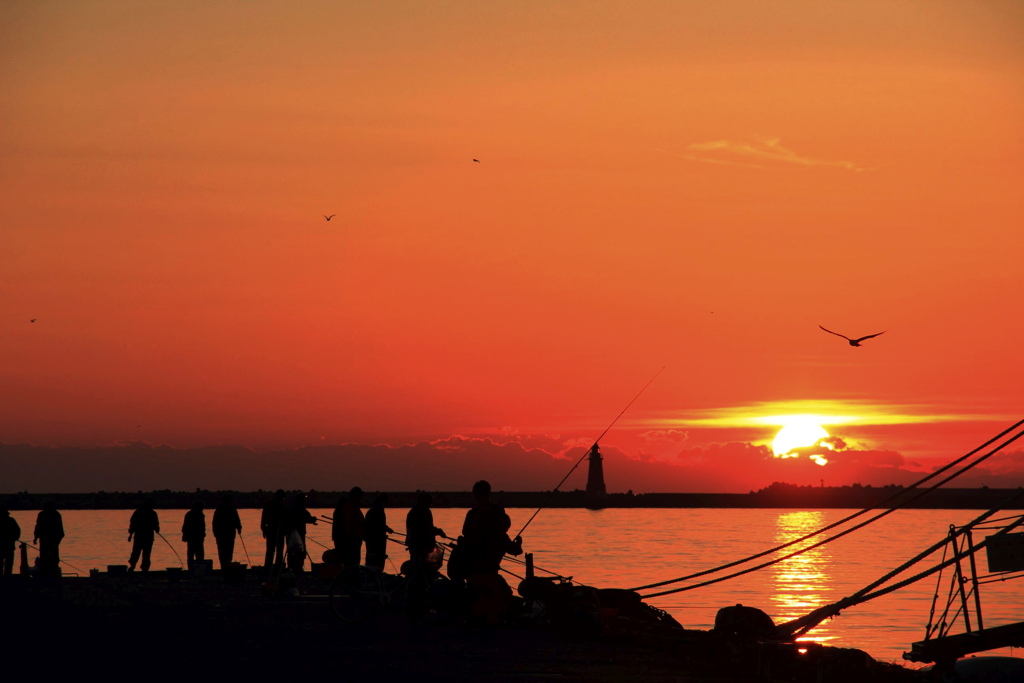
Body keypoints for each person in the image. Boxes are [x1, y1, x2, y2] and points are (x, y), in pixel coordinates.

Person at [460, 480, 523, 626]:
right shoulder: (498, 533)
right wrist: (518, 543)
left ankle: (476, 622)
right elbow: (515, 550)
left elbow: (465, 534)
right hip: (489, 573)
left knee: (480, 599)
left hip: (470, 571)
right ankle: (491, 624)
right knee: (504, 595)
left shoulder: (472, 515)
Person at [283, 492, 318, 573]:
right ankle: (298, 568)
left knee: (291, 551)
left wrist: (311, 520)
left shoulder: (291, 508)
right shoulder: (300, 508)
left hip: (290, 534)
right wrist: (312, 520)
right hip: (298, 534)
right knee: (300, 551)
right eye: (304, 500)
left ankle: (292, 568)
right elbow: (307, 518)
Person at [336, 486, 365, 569]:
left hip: (354, 538)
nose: (361, 499)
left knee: (353, 562)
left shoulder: (352, 506)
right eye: (360, 496)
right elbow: (349, 523)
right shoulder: (350, 506)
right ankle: (351, 578)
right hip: (351, 540)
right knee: (352, 561)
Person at [128, 498, 160, 572]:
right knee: (145, 554)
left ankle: (133, 567)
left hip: (139, 537)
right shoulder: (153, 513)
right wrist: (157, 529)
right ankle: (144, 569)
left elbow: (132, 524)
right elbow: (156, 525)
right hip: (147, 537)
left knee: (136, 552)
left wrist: (130, 534)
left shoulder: (138, 512)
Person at [364, 493, 393, 572]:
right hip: (376, 541)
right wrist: (385, 529)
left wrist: (386, 529)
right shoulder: (378, 510)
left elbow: (377, 524)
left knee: (372, 558)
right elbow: (377, 525)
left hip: (372, 540)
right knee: (376, 559)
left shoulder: (373, 509)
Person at [33, 502, 65, 577]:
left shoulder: (43, 514)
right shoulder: (55, 514)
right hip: (50, 540)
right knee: (50, 558)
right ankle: (49, 573)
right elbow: (38, 527)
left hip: (49, 540)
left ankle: (47, 574)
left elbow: (38, 527)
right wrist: (36, 537)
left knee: (49, 558)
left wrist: (36, 537)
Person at [212, 494, 242, 569]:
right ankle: (226, 566)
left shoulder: (219, 510)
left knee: (222, 551)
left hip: (222, 535)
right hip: (227, 534)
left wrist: (215, 533)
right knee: (228, 551)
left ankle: (224, 566)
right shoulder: (232, 509)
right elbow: (237, 521)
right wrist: (239, 528)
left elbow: (214, 523)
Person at [261, 489, 287, 573]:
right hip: (274, 530)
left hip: (274, 530)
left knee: (271, 550)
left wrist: (264, 529)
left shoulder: (268, 504)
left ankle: (270, 568)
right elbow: (264, 518)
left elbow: (263, 519)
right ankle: (275, 568)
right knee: (277, 550)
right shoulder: (281, 505)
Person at [181, 502, 206, 567]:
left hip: (195, 538)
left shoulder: (190, 514)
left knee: (193, 555)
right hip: (195, 538)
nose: (203, 509)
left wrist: (185, 536)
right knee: (197, 554)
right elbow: (186, 526)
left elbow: (185, 527)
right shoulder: (199, 515)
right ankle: (196, 569)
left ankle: (194, 569)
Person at [1, 509, 20, 576]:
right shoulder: (11, 520)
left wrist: (14, 538)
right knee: (9, 562)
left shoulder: (11, 520)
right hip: (9, 545)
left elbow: (17, 531)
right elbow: (17, 531)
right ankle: (7, 575)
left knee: (8, 561)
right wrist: (15, 538)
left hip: (8, 545)